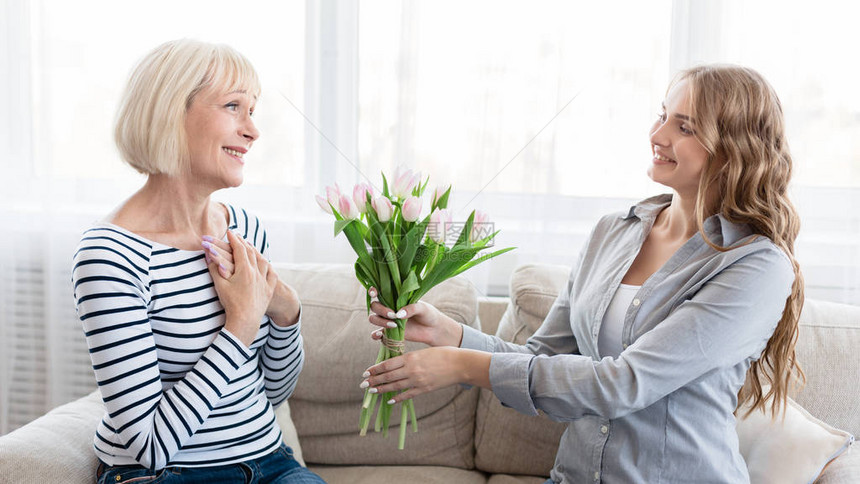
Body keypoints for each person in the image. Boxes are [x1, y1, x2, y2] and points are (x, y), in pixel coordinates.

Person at [363, 65, 804, 483]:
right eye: (662, 115)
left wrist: (462, 366)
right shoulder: (612, 232)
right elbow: (540, 354)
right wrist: (451, 335)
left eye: (684, 127)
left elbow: (624, 383)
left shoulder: (755, 265)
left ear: (733, 149)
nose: (657, 135)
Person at [72, 39, 324, 483]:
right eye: (233, 106)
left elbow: (270, 394)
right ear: (172, 113)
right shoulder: (111, 256)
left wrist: (286, 314)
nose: (252, 130)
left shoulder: (244, 229)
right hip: (167, 475)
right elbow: (148, 447)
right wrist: (240, 324)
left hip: (271, 463)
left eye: (253, 110)